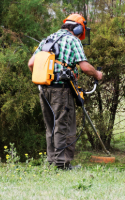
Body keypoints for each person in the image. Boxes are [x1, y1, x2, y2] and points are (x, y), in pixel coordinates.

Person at [28, 14, 102, 170]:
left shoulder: (48, 39)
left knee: (51, 127)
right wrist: (97, 74)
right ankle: (62, 165)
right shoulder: (72, 40)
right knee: (63, 126)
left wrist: (45, 79)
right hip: (61, 90)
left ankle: (51, 162)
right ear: (78, 28)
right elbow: (85, 67)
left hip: (44, 89)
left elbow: (31, 64)